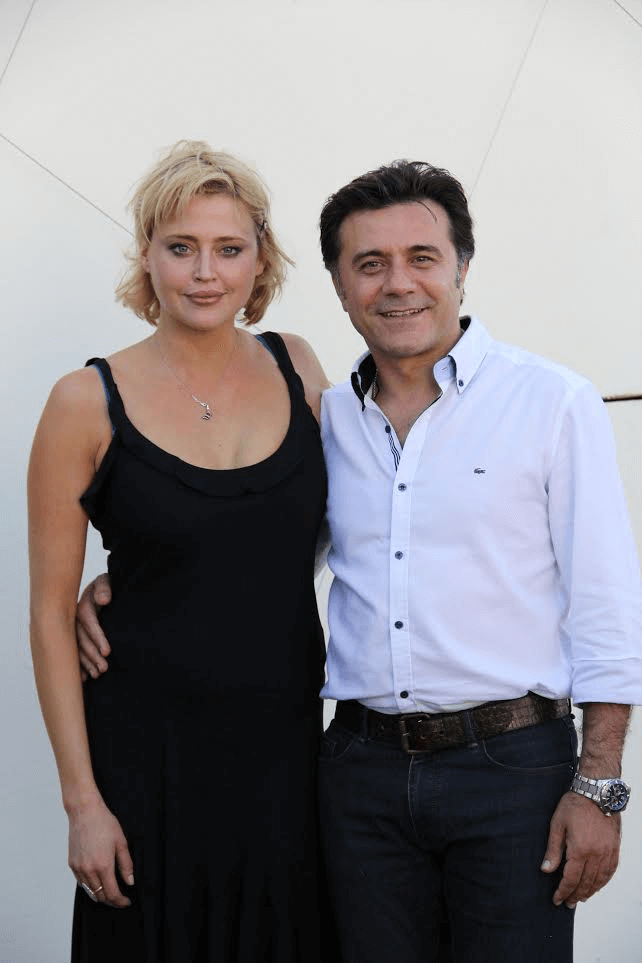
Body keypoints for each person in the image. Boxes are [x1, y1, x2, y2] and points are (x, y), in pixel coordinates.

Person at [77, 160, 642, 962]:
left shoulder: (551, 401)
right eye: (369, 264)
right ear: (340, 286)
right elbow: (262, 544)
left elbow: (608, 601)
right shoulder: (326, 414)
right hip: (358, 774)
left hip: (511, 771)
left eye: (422, 258)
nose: (398, 283)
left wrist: (599, 784)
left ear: (462, 267)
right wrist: (133, 585)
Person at [28, 140, 331, 963]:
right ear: (146, 255)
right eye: (180, 247)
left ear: (260, 257)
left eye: (228, 248)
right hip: (145, 768)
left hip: (288, 764)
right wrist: (82, 804)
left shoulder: (298, 365)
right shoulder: (84, 400)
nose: (205, 273)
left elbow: (359, 524)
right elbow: (49, 617)